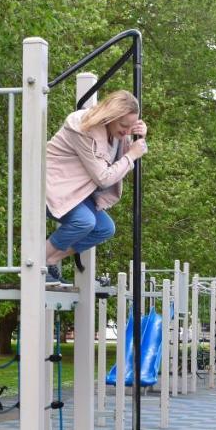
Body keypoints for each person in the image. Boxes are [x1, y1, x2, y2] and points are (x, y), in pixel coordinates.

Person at [44, 89, 148, 287]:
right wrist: (132, 155)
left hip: (76, 192)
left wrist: (137, 138)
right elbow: (103, 178)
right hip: (53, 187)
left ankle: (50, 259)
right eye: (123, 126)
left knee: (104, 229)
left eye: (130, 126)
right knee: (84, 221)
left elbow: (125, 157)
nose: (126, 131)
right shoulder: (83, 129)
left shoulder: (114, 132)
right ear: (110, 116)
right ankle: (34, 262)